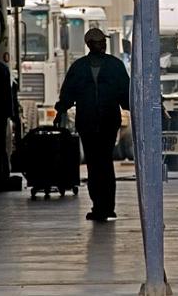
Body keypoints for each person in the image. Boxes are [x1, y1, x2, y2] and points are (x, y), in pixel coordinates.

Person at [54, 27, 130, 222]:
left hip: (108, 122)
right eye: (98, 42)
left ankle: (107, 207)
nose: (102, 45)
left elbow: (126, 92)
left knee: (103, 162)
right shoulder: (79, 68)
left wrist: (136, 109)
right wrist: (60, 110)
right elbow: (68, 93)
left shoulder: (115, 66)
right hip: (87, 123)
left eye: (103, 42)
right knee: (95, 164)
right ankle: (98, 206)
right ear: (89, 44)